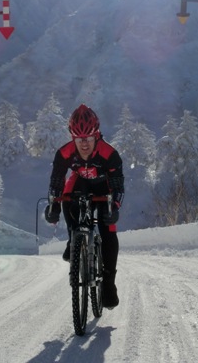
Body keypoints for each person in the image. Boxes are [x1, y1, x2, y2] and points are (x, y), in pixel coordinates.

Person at [45, 104, 125, 309]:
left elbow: (117, 184)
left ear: (96, 135)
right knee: (67, 196)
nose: (84, 144)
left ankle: (108, 284)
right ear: (73, 137)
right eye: (79, 139)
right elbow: (56, 181)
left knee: (108, 230)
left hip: (103, 186)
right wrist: (53, 205)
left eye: (88, 138)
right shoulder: (64, 153)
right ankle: (74, 240)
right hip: (79, 181)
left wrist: (114, 207)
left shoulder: (110, 154)